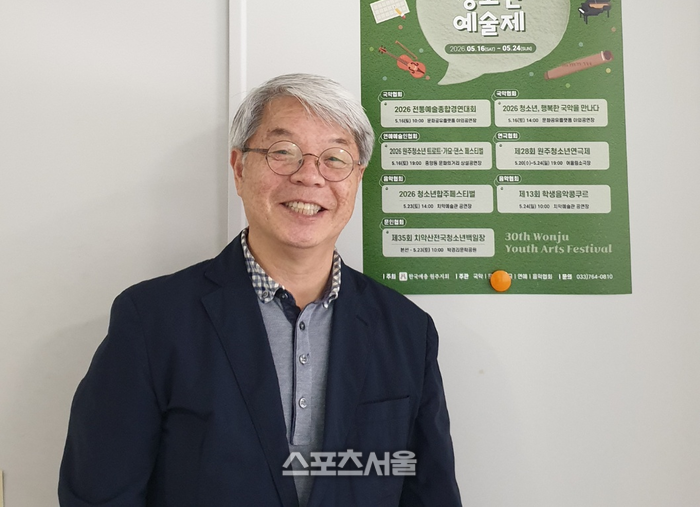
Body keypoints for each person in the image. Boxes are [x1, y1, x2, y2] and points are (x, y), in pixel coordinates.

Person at [59, 74, 462, 507]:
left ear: (357, 178)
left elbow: (430, 494)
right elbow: (99, 496)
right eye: (283, 152)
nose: (309, 176)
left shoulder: (406, 330)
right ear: (239, 168)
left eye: (335, 158)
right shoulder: (152, 320)